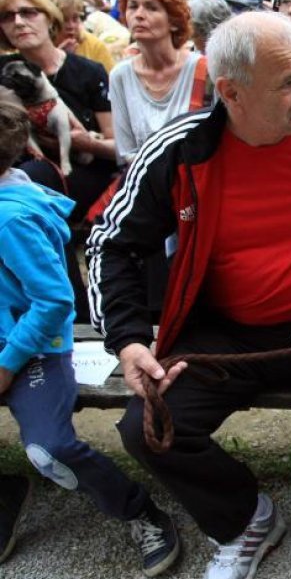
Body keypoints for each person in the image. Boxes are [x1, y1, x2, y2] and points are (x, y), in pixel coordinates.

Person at [86, 11, 291, 579]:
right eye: (289, 83)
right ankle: (245, 519)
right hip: (221, 331)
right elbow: (113, 242)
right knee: (148, 429)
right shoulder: (179, 152)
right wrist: (129, 339)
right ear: (231, 92)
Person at [0, 101, 179, 577]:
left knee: (47, 449)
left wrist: (7, 363)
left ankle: (139, 510)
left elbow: (53, 302)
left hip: (32, 350)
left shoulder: (11, 220)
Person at [0, 0, 118, 221]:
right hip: (16, 170)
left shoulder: (88, 72)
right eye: (7, 16)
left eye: (28, 12)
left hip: (80, 169)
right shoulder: (4, 70)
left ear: (50, 16)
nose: (19, 22)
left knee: (24, 182)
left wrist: (86, 143)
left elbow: (117, 146)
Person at [110, 0, 205, 164]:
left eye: (151, 7)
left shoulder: (203, 70)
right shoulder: (120, 76)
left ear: (174, 21)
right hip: (146, 183)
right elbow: (126, 152)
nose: (139, 14)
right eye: (132, 6)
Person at [43, 0, 115, 73]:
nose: (71, 26)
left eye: (75, 18)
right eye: (64, 19)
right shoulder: (36, 46)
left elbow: (109, 82)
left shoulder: (94, 46)